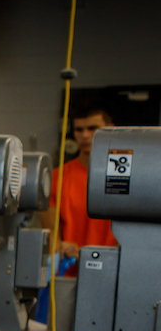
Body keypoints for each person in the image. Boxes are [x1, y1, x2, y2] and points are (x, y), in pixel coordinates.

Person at [41, 100, 116, 271]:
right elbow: (51, 233)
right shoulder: (57, 177)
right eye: (79, 129)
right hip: (69, 272)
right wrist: (60, 246)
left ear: (110, 128)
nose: (85, 135)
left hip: (112, 272)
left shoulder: (125, 179)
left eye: (92, 128)